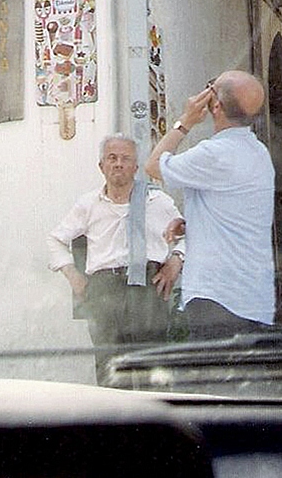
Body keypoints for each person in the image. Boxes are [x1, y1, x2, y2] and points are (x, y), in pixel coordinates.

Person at [143, 71, 275, 341]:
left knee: (214, 379)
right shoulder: (258, 153)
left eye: (209, 88)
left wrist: (185, 122)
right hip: (254, 298)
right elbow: (236, 210)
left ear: (215, 105)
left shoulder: (214, 153)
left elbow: (153, 166)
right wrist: (195, 223)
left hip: (217, 297)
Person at [48, 134, 183, 383]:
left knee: (151, 366)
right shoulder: (88, 204)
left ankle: (149, 421)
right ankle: (114, 422)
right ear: (102, 166)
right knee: (109, 367)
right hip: (103, 292)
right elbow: (56, 240)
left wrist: (176, 260)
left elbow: (189, 234)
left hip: (147, 290)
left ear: (135, 166)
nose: (118, 164)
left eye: (125, 159)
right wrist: (73, 276)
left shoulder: (156, 200)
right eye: (112, 158)